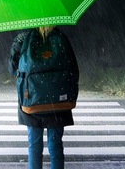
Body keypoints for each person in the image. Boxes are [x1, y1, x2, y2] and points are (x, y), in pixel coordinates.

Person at [9, 25, 79, 169]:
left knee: (34, 145)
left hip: (32, 100)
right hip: (59, 101)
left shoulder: (23, 38)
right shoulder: (60, 38)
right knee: (56, 144)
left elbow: (12, 68)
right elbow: (74, 69)